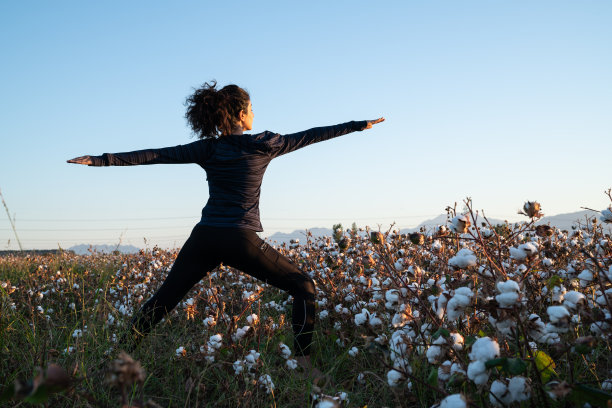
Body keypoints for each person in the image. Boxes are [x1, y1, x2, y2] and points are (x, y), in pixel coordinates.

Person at [68, 81, 384, 380]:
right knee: (304, 287)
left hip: (204, 237)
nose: (255, 114)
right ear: (241, 114)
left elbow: (157, 154)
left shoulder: (209, 148)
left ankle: (115, 361)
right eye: (252, 109)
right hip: (238, 238)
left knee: (162, 301)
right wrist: (358, 125)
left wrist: (101, 160)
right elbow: (314, 134)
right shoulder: (266, 143)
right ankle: (304, 366)